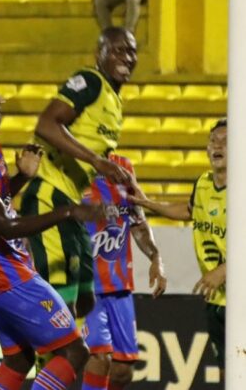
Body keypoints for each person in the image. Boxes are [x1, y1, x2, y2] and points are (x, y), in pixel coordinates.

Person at [0, 83, 96, 390]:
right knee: (74, 352)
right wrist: (67, 212)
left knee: (19, 358)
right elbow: (5, 225)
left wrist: (22, 176)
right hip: (3, 274)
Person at [21, 27, 138, 320]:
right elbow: (46, 124)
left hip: (70, 202)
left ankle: (60, 345)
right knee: (57, 299)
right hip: (49, 194)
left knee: (84, 298)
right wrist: (97, 161)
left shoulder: (113, 100)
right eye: (119, 50)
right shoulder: (90, 81)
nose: (127, 57)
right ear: (100, 53)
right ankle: (41, 346)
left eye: (132, 51)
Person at [133, 120, 227, 371]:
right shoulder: (203, 183)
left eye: (225, 140)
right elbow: (188, 210)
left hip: (240, 296)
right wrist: (148, 203)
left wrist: (224, 270)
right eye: (213, 140)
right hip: (216, 298)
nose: (217, 145)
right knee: (227, 371)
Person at [80, 153, 166, 390]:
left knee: (121, 371)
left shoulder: (123, 166)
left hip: (119, 286)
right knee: (99, 358)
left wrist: (156, 258)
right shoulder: (71, 163)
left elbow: (137, 222)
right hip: (85, 287)